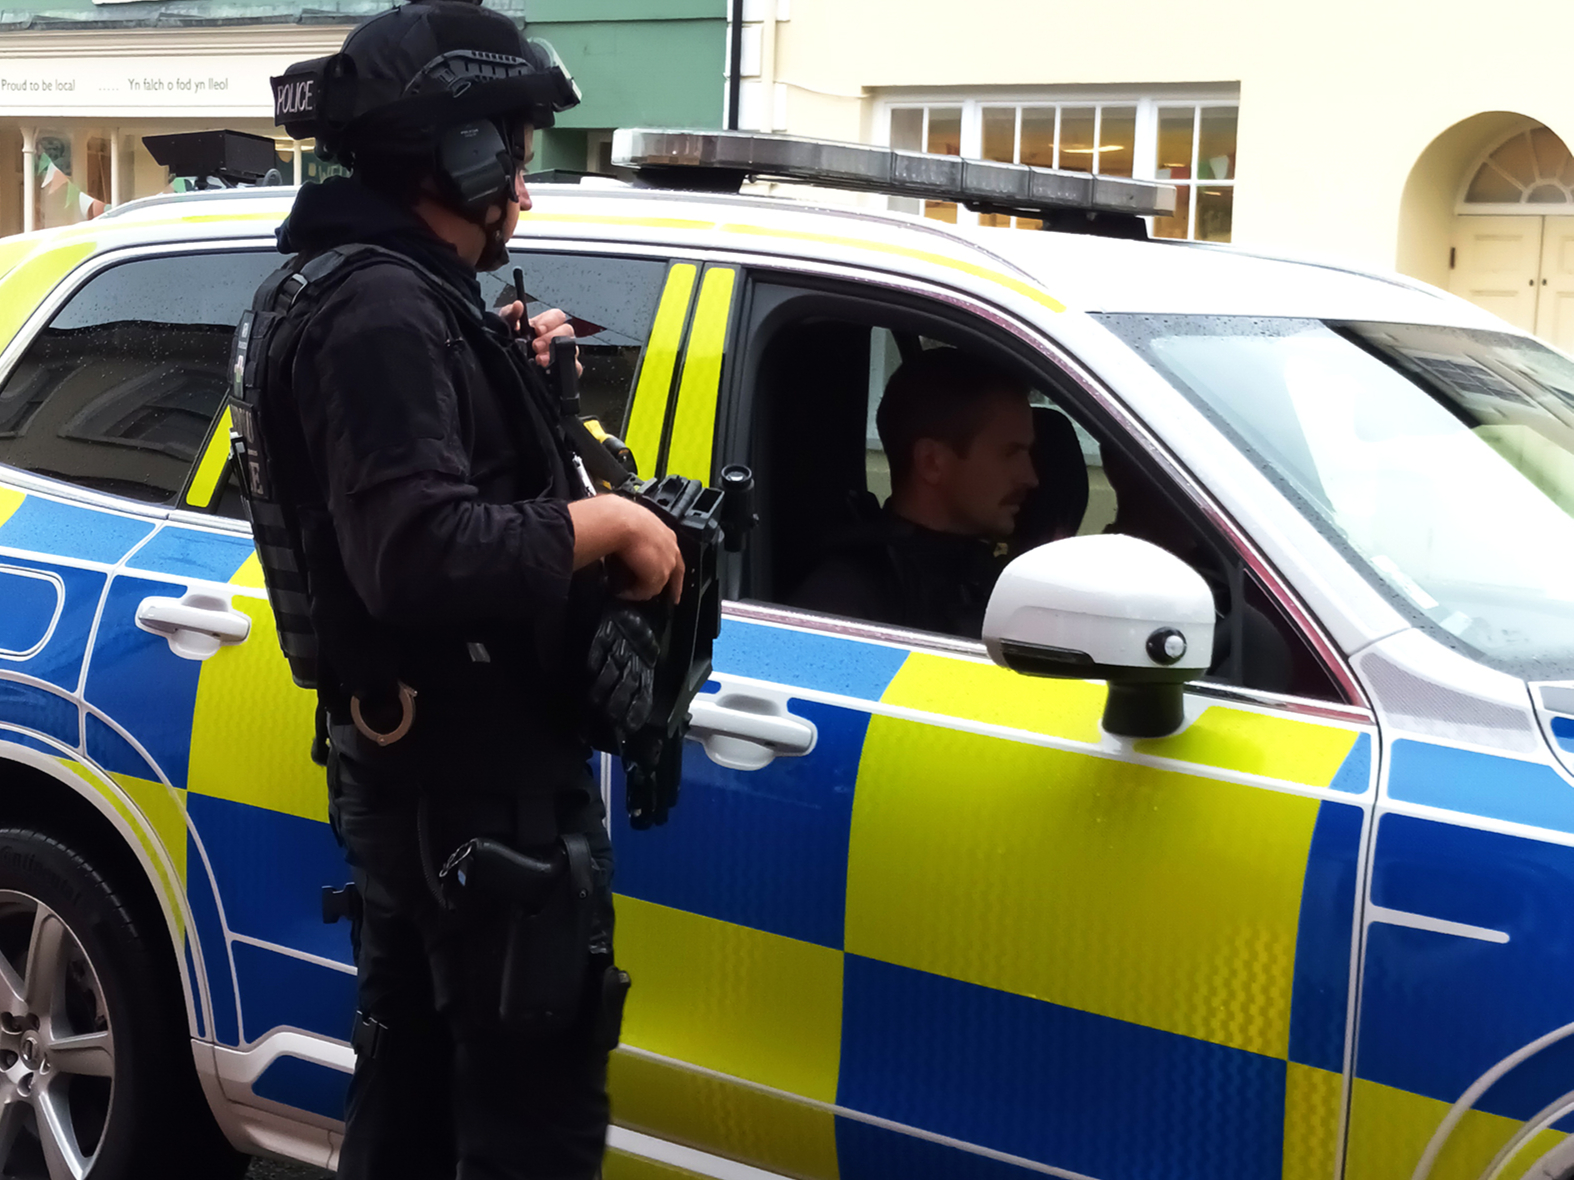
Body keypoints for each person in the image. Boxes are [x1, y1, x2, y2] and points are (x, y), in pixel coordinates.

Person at [239, 3, 683, 1177]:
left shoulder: (370, 291)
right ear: (463, 155)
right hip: (473, 802)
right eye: (515, 158)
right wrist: (611, 522)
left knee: (417, 1110)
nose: (523, 193)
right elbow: (418, 552)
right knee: (520, 1130)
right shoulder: (381, 308)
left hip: (429, 787)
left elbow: (411, 490)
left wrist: (513, 377)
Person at [793, 347, 1037, 637]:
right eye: (1011, 453)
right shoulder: (845, 601)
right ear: (931, 462)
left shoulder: (986, 577)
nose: (1031, 478)